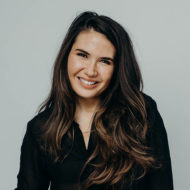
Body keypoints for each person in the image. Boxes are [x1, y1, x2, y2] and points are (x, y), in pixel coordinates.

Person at [15, 11, 173, 190]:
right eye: (82, 55)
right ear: (67, 56)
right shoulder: (41, 129)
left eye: (105, 61)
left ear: (117, 69)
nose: (91, 71)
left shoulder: (141, 114)